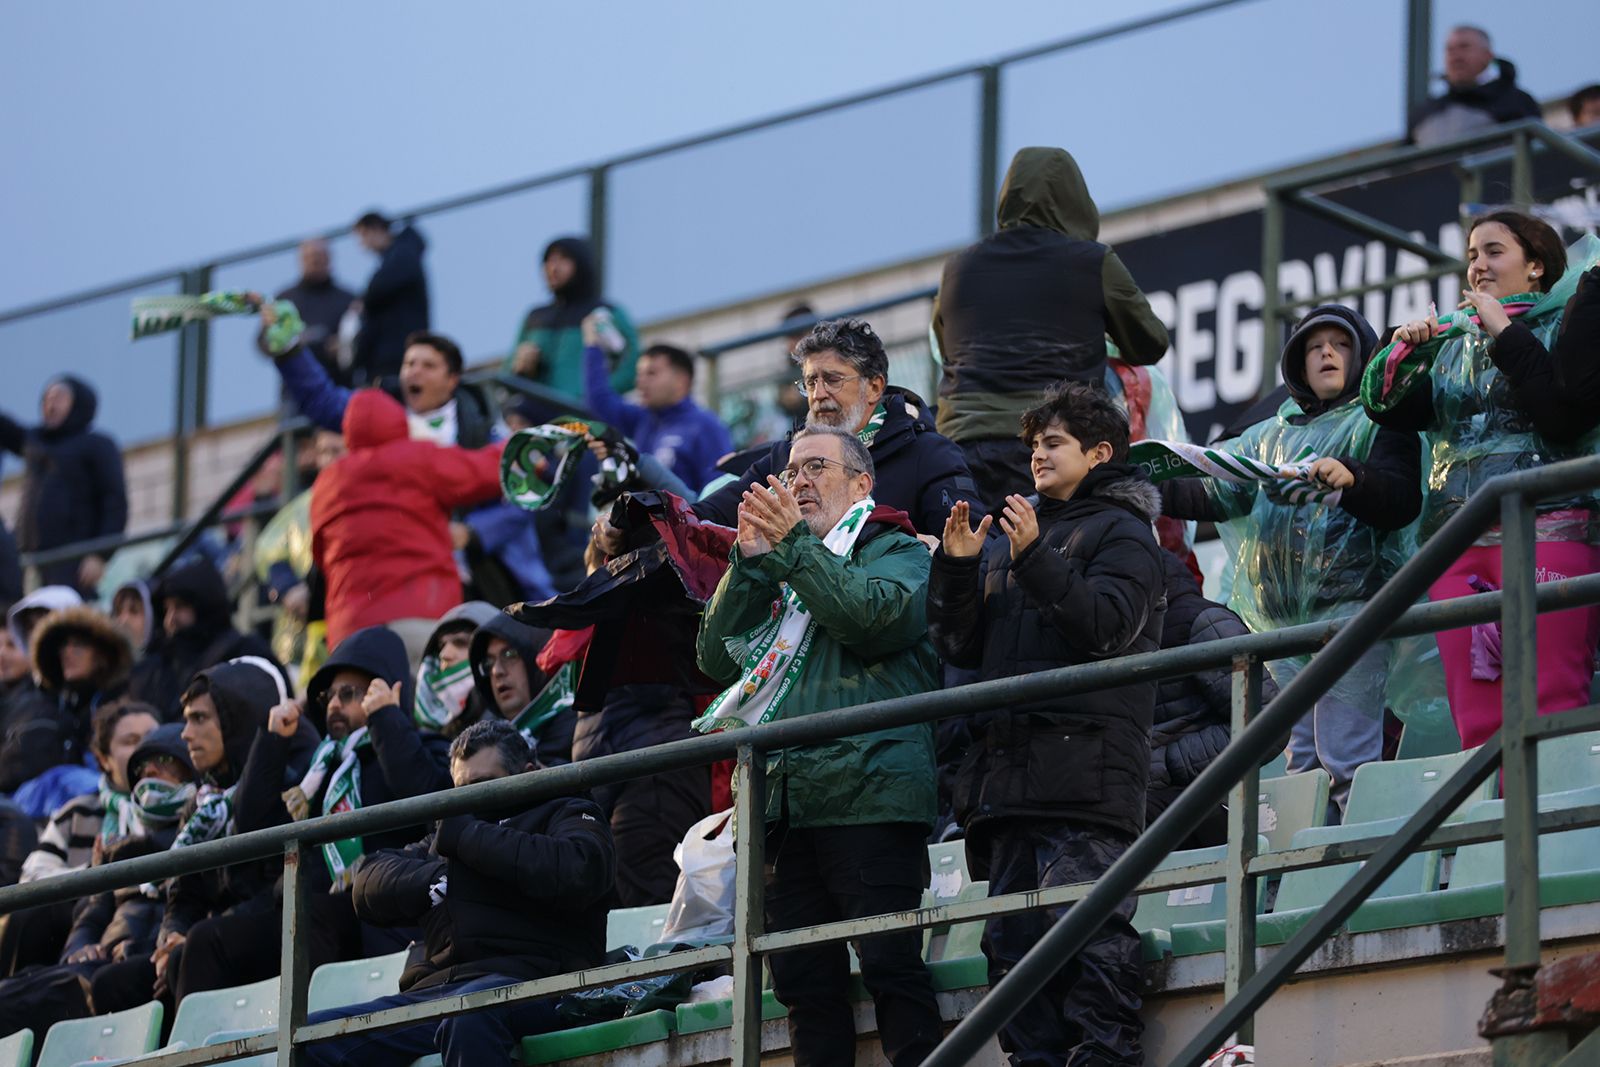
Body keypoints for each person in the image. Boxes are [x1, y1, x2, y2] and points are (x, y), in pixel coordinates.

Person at [927, 382, 1166, 1065]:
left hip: (1084, 780)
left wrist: (1032, 558)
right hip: (1007, 785)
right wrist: (956, 569)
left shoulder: (1126, 533)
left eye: (1053, 442)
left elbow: (1104, 628)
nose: (1037, 455)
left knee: (1090, 940)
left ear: (1100, 452)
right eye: (1033, 444)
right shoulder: (1011, 537)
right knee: (1012, 956)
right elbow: (959, 648)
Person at [696, 426, 944, 1067]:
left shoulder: (898, 548)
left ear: (862, 483)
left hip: (870, 794)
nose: (798, 480)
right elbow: (713, 658)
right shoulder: (779, 561)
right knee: (805, 991)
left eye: (815, 467)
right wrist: (748, 564)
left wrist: (791, 550)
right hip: (783, 807)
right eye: (791, 471)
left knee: (892, 969)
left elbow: (872, 618)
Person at [1163, 305, 1421, 817]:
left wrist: (1354, 480)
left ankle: (1354, 872)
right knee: (1300, 768)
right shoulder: (1268, 435)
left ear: (1364, 355)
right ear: (1297, 363)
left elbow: (1400, 500)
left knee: (1348, 761)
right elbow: (1216, 496)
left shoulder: (1382, 421)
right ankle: (1300, 878)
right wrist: (1142, 484)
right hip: (1282, 626)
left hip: (1351, 614)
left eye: (1341, 344)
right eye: (1313, 345)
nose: (1326, 352)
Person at [1368, 215, 1600, 749]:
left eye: (1494, 252)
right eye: (1472, 254)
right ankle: (1494, 832)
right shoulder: (1453, 341)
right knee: (1477, 725)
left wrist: (1504, 329)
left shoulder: (1565, 322)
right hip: (1460, 547)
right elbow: (1387, 409)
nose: (1478, 264)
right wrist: (1405, 356)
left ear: (1536, 266)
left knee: (1553, 704)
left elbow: (1561, 413)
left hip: (1551, 533)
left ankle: (1551, 830)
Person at [297, 718, 615, 1067]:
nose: (471, 802)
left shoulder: (566, 809)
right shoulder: (443, 840)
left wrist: (468, 839)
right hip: (435, 994)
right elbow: (368, 881)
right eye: (460, 791)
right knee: (310, 1038)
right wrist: (441, 878)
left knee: (469, 1014)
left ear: (527, 773)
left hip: (537, 985)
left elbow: (579, 868)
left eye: (483, 787)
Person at [173, 626, 451, 1002]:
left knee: (310, 913)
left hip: (384, 912)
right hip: (304, 914)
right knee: (208, 941)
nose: (333, 705)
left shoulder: (419, 745)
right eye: (328, 695)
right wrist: (272, 742)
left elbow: (427, 796)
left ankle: (306, 1049)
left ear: (390, 691)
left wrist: (386, 720)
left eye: (349, 694)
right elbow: (253, 824)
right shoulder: (321, 770)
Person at [597, 318, 980, 558]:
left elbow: (969, 542)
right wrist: (634, 532)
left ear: (875, 386)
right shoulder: (784, 459)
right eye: (810, 382)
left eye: (832, 379)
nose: (819, 394)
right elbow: (708, 515)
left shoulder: (928, 453)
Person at [933, 146, 1169, 508]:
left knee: (972, 558)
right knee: (1048, 555)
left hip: (960, 447)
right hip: (1049, 444)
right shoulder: (1093, 262)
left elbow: (945, 347)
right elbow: (1150, 342)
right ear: (1076, 200)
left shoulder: (958, 268)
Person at [267, 316, 555, 606]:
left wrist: (472, 533)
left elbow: (521, 497)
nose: (414, 372)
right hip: (392, 571)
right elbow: (322, 399)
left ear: (452, 379)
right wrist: (289, 350)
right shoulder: (374, 417)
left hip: (476, 576)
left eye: (428, 366)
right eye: (409, 364)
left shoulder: (484, 432)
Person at [89, 658, 311, 1015]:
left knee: (199, 947)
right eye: (187, 718)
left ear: (235, 719)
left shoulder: (288, 782)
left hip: (274, 931)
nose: (185, 734)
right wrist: (171, 936)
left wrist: (195, 933)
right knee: (111, 984)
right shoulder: (201, 801)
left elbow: (280, 889)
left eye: (200, 718)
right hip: (210, 936)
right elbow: (184, 896)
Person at [0, 722, 194, 1039]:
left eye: (165, 761)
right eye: (143, 768)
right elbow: (92, 914)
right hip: (95, 962)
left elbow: (188, 910)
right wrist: (80, 947)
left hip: (137, 966)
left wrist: (137, 947)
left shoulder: (198, 836)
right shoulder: (118, 846)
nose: (151, 772)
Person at [311, 389, 508, 654]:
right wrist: (525, 444)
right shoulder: (417, 458)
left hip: (350, 631)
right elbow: (483, 471)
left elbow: (319, 557)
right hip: (421, 615)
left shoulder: (326, 483)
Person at [0, 700, 159, 979]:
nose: (144, 748)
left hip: (142, 926)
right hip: (74, 925)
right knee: (28, 915)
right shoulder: (78, 811)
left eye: (152, 738)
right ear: (103, 759)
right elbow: (34, 875)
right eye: (130, 741)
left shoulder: (179, 805)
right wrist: (96, 877)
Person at [1147, 551, 1280, 848]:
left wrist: (1169, 762)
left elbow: (1270, 726)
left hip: (1208, 805)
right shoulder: (1115, 635)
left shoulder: (1204, 623)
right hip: (1157, 799)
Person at [0, 377, 128, 594]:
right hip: (28, 562)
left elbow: (114, 503)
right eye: (46, 399)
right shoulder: (36, 443)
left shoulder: (96, 445)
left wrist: (100, 554)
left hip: (71, 563)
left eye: (59, 397)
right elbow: (6, 430)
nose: (51, 405)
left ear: (78, 403)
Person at [0, 606, 135, 805]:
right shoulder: (57, 705)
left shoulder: (121, 701)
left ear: (102, 656)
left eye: (78, 645)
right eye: (63, 646)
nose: (67, 652)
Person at [582, 318, 733, 491]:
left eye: (651, 373)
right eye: (639, 374)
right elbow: (599, 402)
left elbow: (717, 494)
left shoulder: (706, 427)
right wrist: (593, 346)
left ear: (681, 381)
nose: (640, 382)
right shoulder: (643, 418)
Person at [142, 557, 281, 716]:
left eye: (180, 606)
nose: (170, 619)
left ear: (204, 605)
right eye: (167, 609)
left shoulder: (245, 653)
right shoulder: (163, 664)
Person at [508, 236, 640, 401]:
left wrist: (596, 397)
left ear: (582, 264)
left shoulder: (606, 313)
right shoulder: (535, 317)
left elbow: (631, 365)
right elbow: (507, 371)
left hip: (584, 419)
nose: (553, 268)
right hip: (540, 418)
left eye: (562, 259)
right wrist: (520, 369)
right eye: (548, 261)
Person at [466, 613, 575, 764]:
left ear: (538, 657)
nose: (496, 671)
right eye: (488, 663)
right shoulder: (483, 738)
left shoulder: (579, 723)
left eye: (510, 654)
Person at [1408, 26, 1542, 146]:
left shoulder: (1514, 101)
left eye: (1464, 47)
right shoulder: (1423, 113)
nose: (1456, 57)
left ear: (1487, 56)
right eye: (1450, 50)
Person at [350, 212, 430, 383]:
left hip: (397, 355)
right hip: (392, 354)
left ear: (376, 229)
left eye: (364, 235)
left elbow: (377, 291)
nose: (363, 245)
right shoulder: (397, 258)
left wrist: (365, 301)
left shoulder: (402, 256)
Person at [271, 238, 356, 387]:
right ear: (301, 260)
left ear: (329, 258)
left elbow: (363, 340)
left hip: (339, 386)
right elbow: (264, 342)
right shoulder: (285, 300)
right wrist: (289, 343)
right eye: (310, 256)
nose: (315, 261)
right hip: (296, 390)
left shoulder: (348, 299)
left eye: (319, 255)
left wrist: (344, 346)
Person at [413, 602, 500, 735]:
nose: (444, 654)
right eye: (441, 645)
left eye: (461, 643)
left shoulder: (506, 724)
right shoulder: (425, 727)